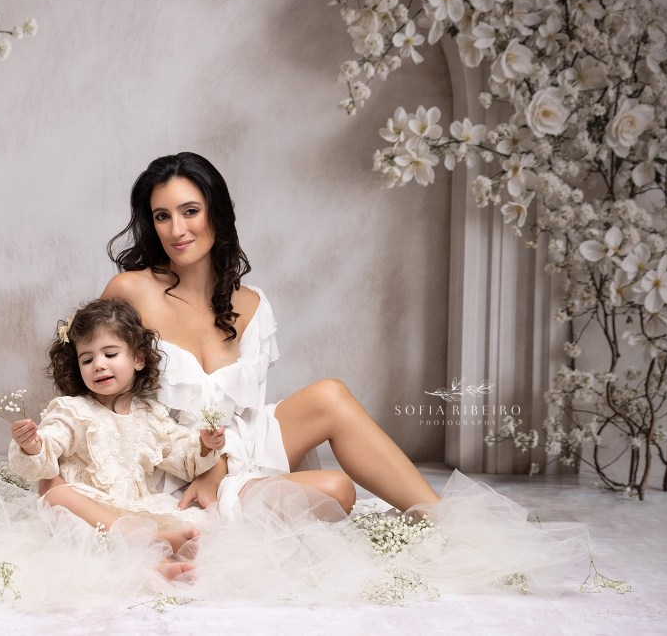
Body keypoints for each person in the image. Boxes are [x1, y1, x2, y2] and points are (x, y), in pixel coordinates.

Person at [99, 152, 441, 516]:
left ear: (216, 212)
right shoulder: (130, 291)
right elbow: (92, 392)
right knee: (337, 490)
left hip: (235, 454)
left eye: (190, 211)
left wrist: (221, 464)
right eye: (162, 216)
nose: (176, 230)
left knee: (330, 395)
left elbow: (243, 417)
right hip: (170, 468)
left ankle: (442, 521)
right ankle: (230, 499)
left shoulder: (251, 304)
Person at [7, 298, 225, 578]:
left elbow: (183, 458)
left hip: (132, 506)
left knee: (189, 523)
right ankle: (148, 543)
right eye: (87, 359)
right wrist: (32, 445)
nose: (98, 364)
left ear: (138, 359)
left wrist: (206, 445)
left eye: (110, 354)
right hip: (89, 511)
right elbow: (50, 445)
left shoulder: (151, 415)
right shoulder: (73, 411)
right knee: (56, 493)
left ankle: (158, 563)